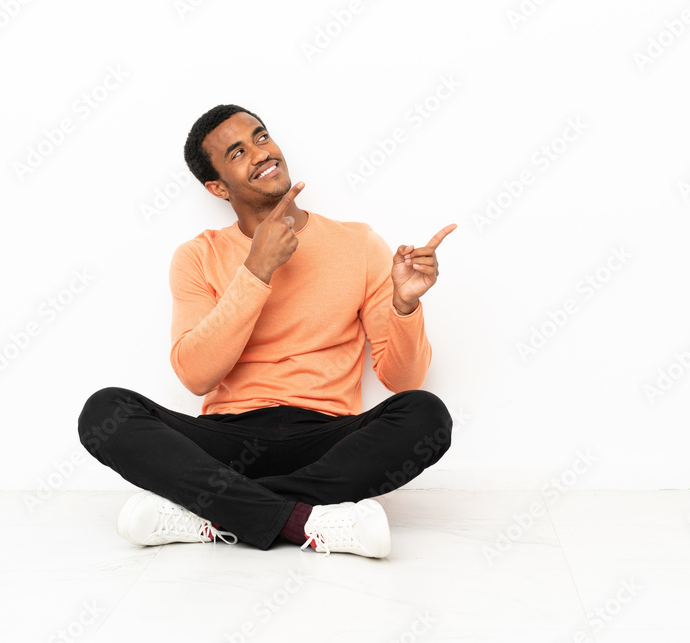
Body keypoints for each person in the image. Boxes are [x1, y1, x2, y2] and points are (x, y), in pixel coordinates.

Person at [77, 104, 455, 558]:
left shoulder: (359, 244)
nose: (260, 153)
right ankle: (305, 520)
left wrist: (405, 305)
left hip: (325, 440)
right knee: (104, 412)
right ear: (217, 187)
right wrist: (256, 270)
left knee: (427, 415)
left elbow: (404, 380)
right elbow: (196, 376)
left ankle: (215, 513)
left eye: (260, 137)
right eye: (237, 152)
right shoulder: (198, 255)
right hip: (226, 442)